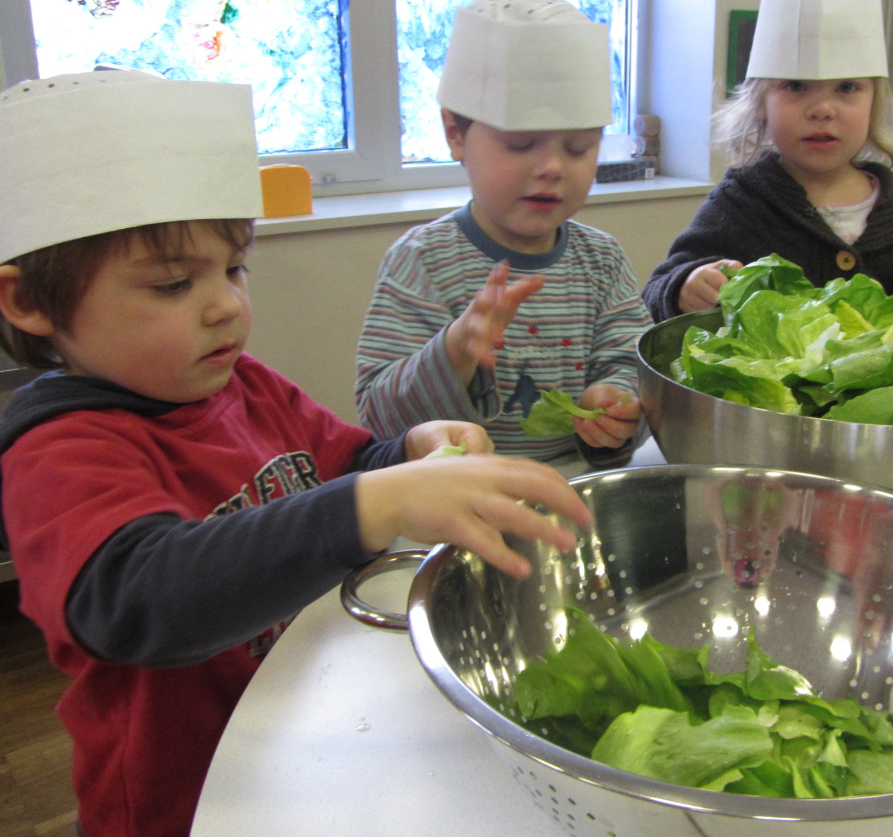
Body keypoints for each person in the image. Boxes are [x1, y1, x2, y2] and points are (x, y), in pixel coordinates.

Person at [0, 69, 593, 837]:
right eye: (175, 284)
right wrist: (378, 503)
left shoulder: (247, 387)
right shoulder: (61, 451)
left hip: (298, 743)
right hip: (182, 798)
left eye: (234, 268)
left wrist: (413, 452)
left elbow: (348, 465)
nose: (226, 304)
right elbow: (136, 599)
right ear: (29, 303)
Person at [355, 0, 650, 472]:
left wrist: (617, 403)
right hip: (454, 497)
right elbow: (380, 419)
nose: (553, 167)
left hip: (572, 489)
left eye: (578, 148)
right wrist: (454, 351)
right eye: (519, 144)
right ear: (456, 134)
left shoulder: (602, 261)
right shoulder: (423, 260)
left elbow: (629, 361)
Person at [642, 0, 893, 323]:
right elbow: (656, 291)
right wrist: (685, 285)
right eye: (797, 86)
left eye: (847, 87)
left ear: (874, 103)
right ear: (761, 104)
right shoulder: (739, 206)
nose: (823, 109)